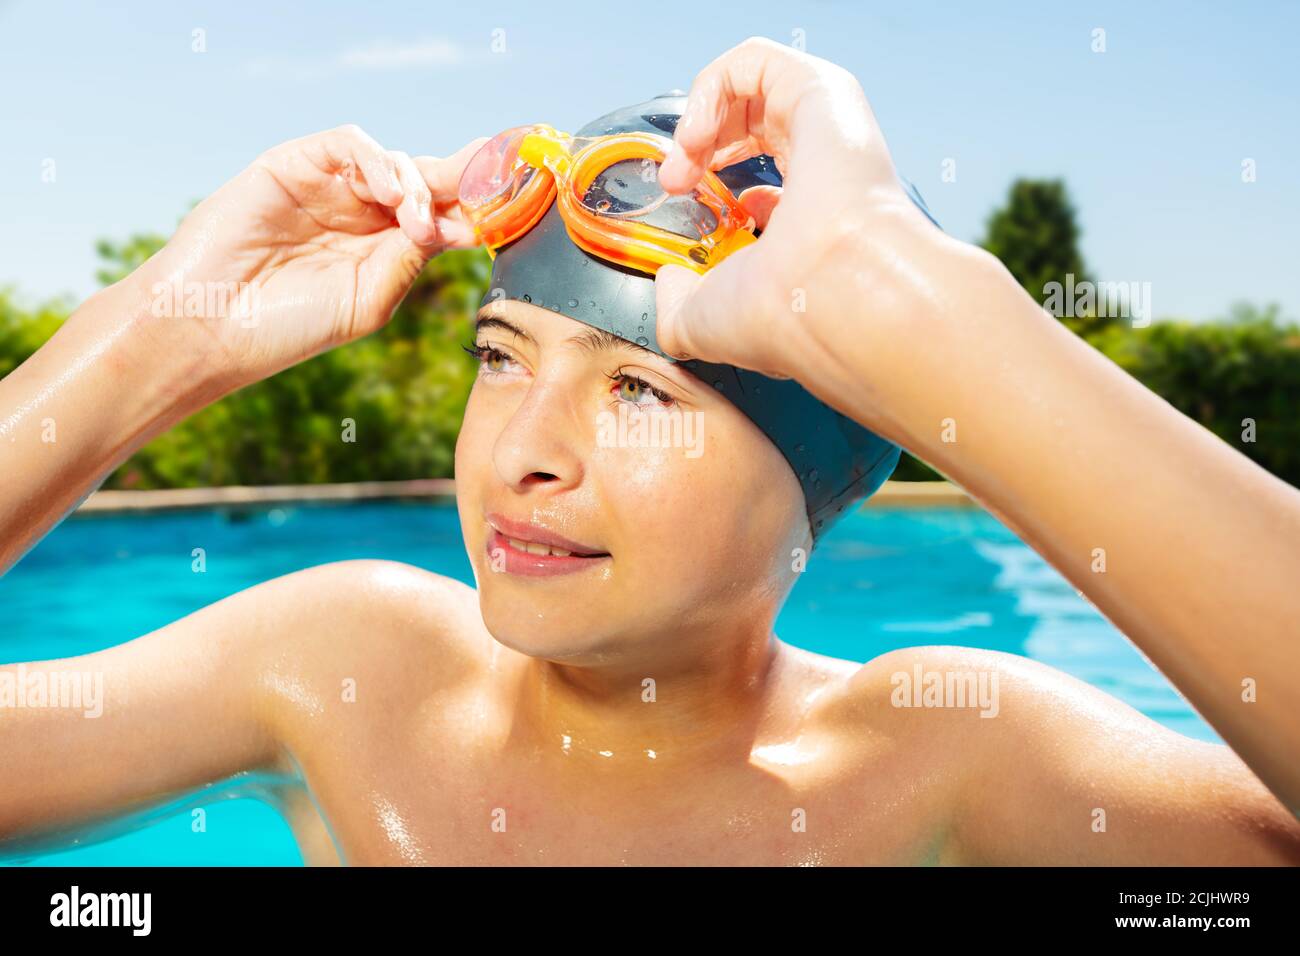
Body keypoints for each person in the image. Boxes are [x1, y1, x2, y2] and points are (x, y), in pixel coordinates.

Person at [1, 38, 1298, 866]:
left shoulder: (957, 761)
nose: (522, 456)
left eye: (637, 388)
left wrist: (939, 327)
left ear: (821, 482)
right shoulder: (349, 675)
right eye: (500, 358)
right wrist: (154, 344)